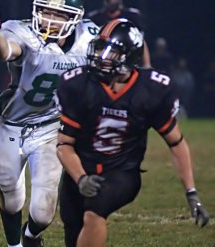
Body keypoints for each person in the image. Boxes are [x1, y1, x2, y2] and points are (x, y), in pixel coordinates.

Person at [56, 19, 210, 247]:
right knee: (73, 227)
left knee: (94, 211)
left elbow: (176, 142)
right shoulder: (78, 84)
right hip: (79, 168)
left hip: (121, 172)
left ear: (128, 57)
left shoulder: (151, 90)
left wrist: (191, 191)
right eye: (99, 49)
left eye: (109, 52)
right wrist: (80, 178)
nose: (101, 57)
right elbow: (64, 145)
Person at [0, 1, 99, 246]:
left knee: (43, 214)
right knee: (12, 201)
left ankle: (30, 237)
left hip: (49, 127)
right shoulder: (22, 33)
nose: (48, 19)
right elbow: (5, 51)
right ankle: (15, 245)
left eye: (58, 14)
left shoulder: (88, 39)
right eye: (46, 11)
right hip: (11, 125)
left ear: (74, 18)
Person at [86, 0, 151, 67]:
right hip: (101, 56)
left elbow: (140, 41)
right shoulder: (95, 17)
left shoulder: (132, 15)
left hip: (125, 56)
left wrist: (147, 64)